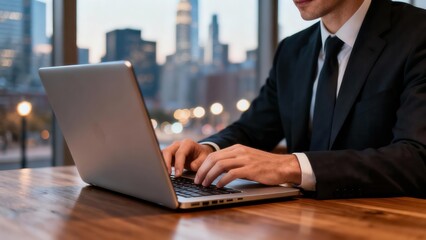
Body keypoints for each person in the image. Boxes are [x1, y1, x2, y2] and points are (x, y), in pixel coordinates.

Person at [162, 0, 426, 199]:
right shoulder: (292, 50)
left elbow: (417, 159)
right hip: (300, 221)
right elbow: (252, 129)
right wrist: (209, 150)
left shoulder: (417, 34)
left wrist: (291, 166)